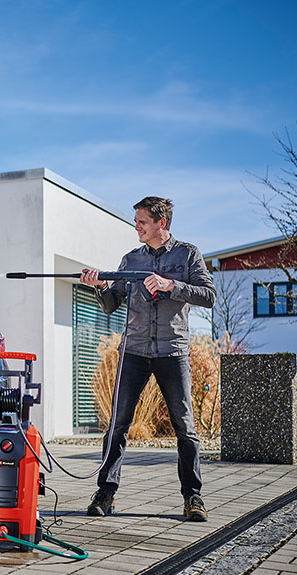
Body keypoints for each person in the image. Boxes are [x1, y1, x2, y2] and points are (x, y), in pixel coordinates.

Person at [79, 196, 215, 522]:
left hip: (173, 352)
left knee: (185, 428)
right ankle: (105, 494)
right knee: (117, 426)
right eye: (136, 221)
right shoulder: (130, 260)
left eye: (142, 221)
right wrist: (99, 286)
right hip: (134, 352)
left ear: (161, 223)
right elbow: (111, 304)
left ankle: (193, 497)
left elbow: (208, 296)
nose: (136, 227)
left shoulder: (187, 254)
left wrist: (172, 285)